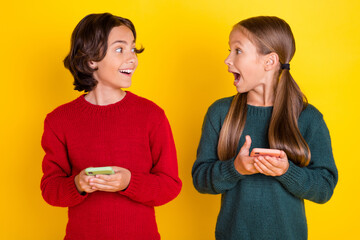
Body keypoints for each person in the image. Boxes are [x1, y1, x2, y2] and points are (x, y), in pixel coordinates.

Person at [192, 16, 338, 240]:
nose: (227, 60)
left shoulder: (308, 118)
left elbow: (324, 188)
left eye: (237, 51)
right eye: (229, 50)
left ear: (269, 62)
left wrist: (287, 172)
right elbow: (200, 179)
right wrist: (236, 168)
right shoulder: (220, 112)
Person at [40, 13, 182, 240]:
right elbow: (50, 190)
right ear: (91, 60)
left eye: (133, 49)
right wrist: (77, 184)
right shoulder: (59, 120)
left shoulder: (152, 115)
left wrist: (129, 182)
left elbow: (170, 186)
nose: (132, 58)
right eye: (120, 49)